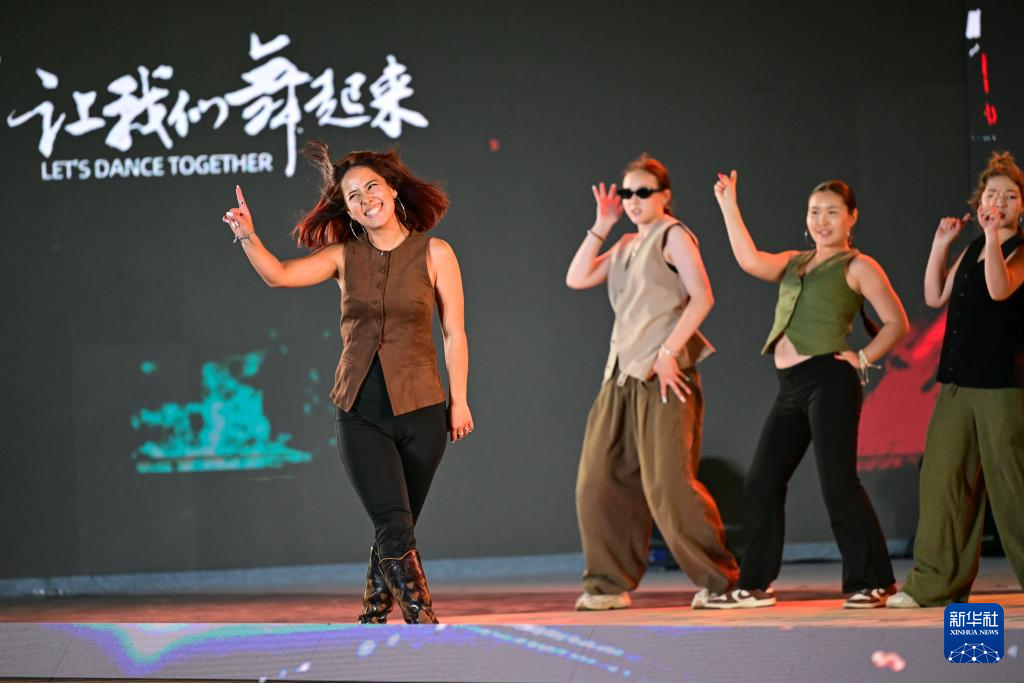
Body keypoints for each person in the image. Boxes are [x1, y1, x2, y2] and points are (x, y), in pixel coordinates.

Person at [221, 142, 473, 624]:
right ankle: (422, 622)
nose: (364, 199)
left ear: (392, 189)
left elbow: (454, 333)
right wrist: (248, 235)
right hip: (360, 410)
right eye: (353, 196)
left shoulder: (435, 253)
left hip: (422, 410)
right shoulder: (343, 256)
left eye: (371, 187)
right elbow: (279, 276)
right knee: (393, 524)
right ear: (349, 210)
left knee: (397, 528)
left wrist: (459, 401)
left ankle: (373, 617)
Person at [705, 172, 908, 609]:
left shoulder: (858, 266)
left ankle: (873, 581)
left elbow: (897, 322)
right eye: (815, 212)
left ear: (851, 218)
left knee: (838, 482)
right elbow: (749, 260)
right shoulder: (794, 262)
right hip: (790, 386)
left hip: (829, 379)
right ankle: (755, 584)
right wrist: (728, 205)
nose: (822, 221)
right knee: (762, 481)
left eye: (832, 212)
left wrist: (863, 357)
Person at [565, 154, 739, 611]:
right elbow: (576, 277)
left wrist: (668, 353)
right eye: (627, 193)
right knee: (598, 481)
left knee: (668, 484)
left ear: (664, 196)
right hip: (620, 375)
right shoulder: (625, 244)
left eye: (643, 192)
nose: (633, 200)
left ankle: (721, 583)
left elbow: (702, 297)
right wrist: (602, 224)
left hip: (664, 374)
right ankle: (607, 584)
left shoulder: (673, 235)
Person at [889, 151, 1024, 608]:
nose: (999, 203)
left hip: (1003, 384)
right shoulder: (971, 249)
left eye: (1010, 197)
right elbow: (934, 296)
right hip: (958, 382)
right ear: (979, 201)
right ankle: (934, 583)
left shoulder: (1018, 250)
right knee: (943, 479)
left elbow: (999, 289)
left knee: (1012, 486)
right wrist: (940, 245)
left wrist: (993, 238)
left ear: (1021, 206)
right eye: (992, 195)